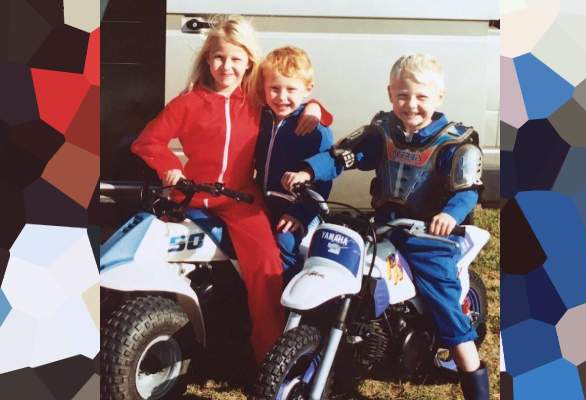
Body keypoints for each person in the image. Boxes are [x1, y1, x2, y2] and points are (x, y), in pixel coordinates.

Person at [285, 53, 489, 399]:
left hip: (430, 238)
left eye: (421, 96)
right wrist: (308, 171)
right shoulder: (384, 132)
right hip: (383, 227)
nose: (411, 104)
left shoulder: (453, 143)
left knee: (445, 305)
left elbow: (467, 191)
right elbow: (343, 155)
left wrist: (449, 216)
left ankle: (472, 376)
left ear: (439, 97)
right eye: (403, 95)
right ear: (390, 93)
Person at [130, 15, 331, 364]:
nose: (227, 67)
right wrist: (169, 166)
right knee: (147, 246)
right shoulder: (188, 102)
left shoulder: (255, 100)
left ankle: (269, 354)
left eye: (236, 59)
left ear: (249, 62)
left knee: (266, 264)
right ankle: (149, 330)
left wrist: (315, 108)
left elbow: (299, 102)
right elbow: (148, 141)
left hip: (240, 198)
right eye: (219, 58)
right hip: (190, 195)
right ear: (208, 60)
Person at [254, 46, 340, 283]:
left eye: (291, 89)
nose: (282, 97)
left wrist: (300, 215)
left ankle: (289, 293)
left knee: (284, 243)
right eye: (274, 88)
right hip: (265, 203)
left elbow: (324, 180)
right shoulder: (263, 118)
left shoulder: (315, 130)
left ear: (307, 89)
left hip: (301, 209)